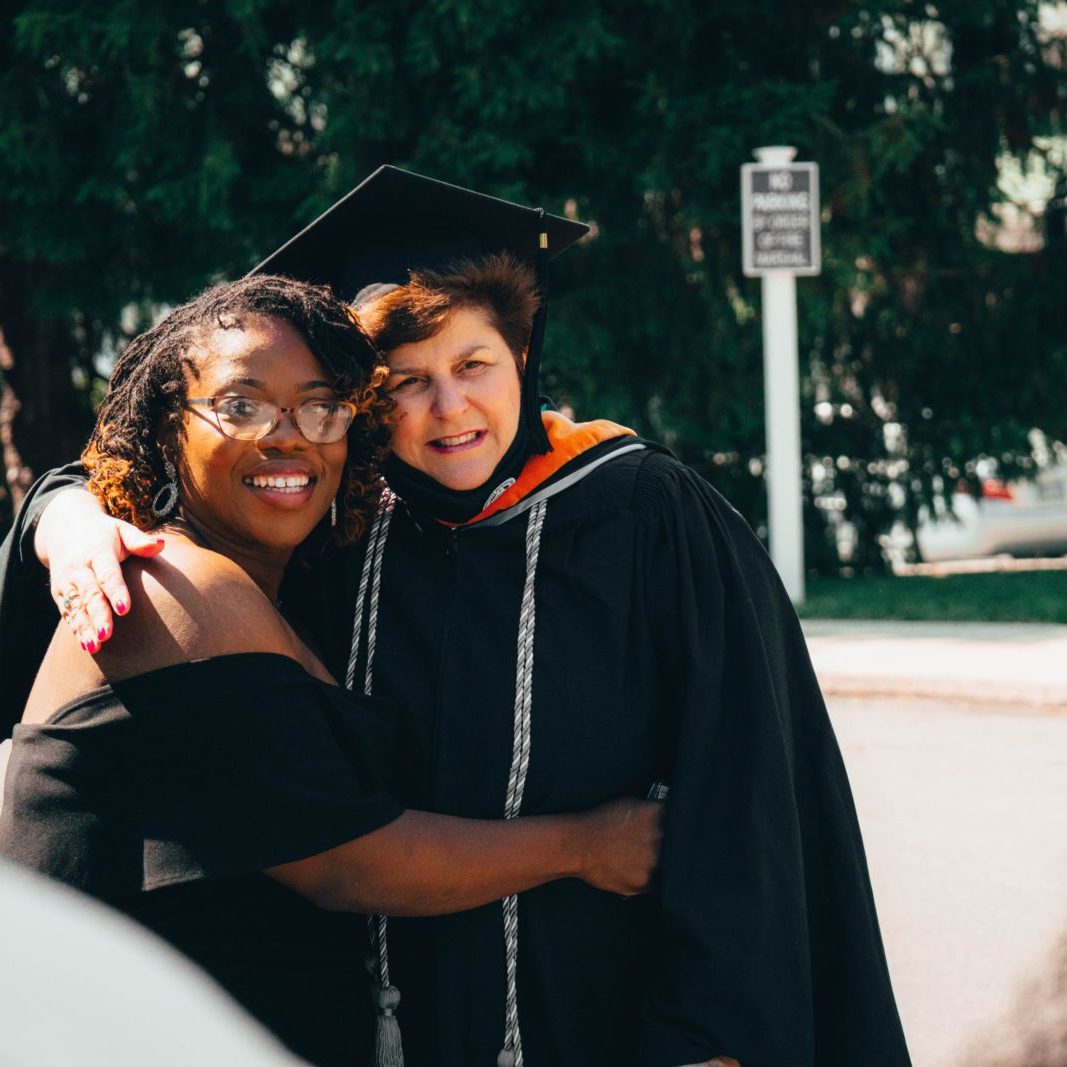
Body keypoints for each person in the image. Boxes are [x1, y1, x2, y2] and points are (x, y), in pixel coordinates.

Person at [0, 167, 912, 1067]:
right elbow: (164, 464)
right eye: (401, 381)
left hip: (600, 1016)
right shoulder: (336, 522)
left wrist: (711, 1040)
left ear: (522, 355)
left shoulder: (644, 517)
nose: (448, 407)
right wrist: (65, 512)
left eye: (472, 364)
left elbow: (743, 799)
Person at [0, 272, 661, 1067]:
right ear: (168, 425)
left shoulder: (283, 588)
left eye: (322, 406)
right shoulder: (171, 587)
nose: (289, 435)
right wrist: (590, 844)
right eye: (241, 405)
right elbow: (348, 860)